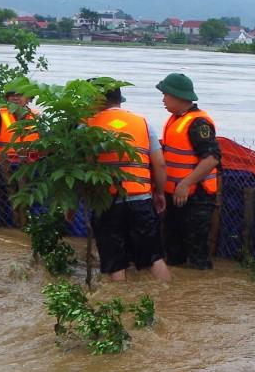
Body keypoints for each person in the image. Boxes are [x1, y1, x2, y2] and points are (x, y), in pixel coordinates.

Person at [85, 79, 171, 282]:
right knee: (154, 257)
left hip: (106, 202)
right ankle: (170, 296)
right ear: (118, 98)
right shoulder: (142, 123)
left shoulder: (87, 126)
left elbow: (82, 169)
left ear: (97, 99)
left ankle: (119, 300)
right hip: (140, 199)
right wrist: (159, 193)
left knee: (115, 262)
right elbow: (160, 164)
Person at [156, 71, 221, 269]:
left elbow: (212, 158)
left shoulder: (198, 123)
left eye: (165, 95)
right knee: (173, 250)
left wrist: (186, 183)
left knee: (197, 253)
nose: (163, 99)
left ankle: (201, 284)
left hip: (196, 196)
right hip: (175, 195)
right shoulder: (175, 119)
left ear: (178, 96)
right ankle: (181, 286)